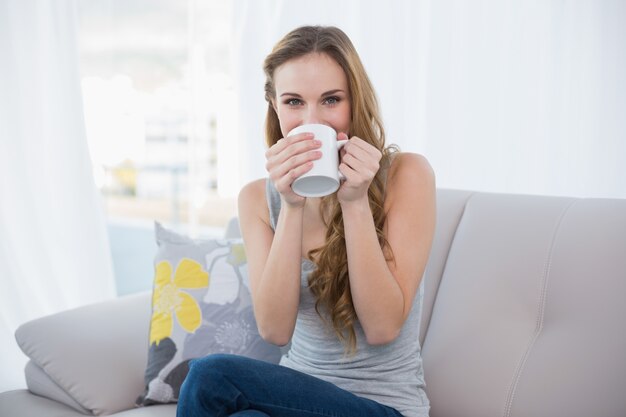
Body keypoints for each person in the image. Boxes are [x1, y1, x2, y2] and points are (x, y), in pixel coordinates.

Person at [177, 25, 436, 417]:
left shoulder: (406, 175)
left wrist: (354, 202)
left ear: (354, 101)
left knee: (209, 376)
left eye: (331, 100)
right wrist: (292, 206)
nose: (312, 120)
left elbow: (384, 327)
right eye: (294, 102)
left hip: (383, 407)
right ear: (275, 106)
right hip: (291, 399)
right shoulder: (257, 200)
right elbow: (275, 331)